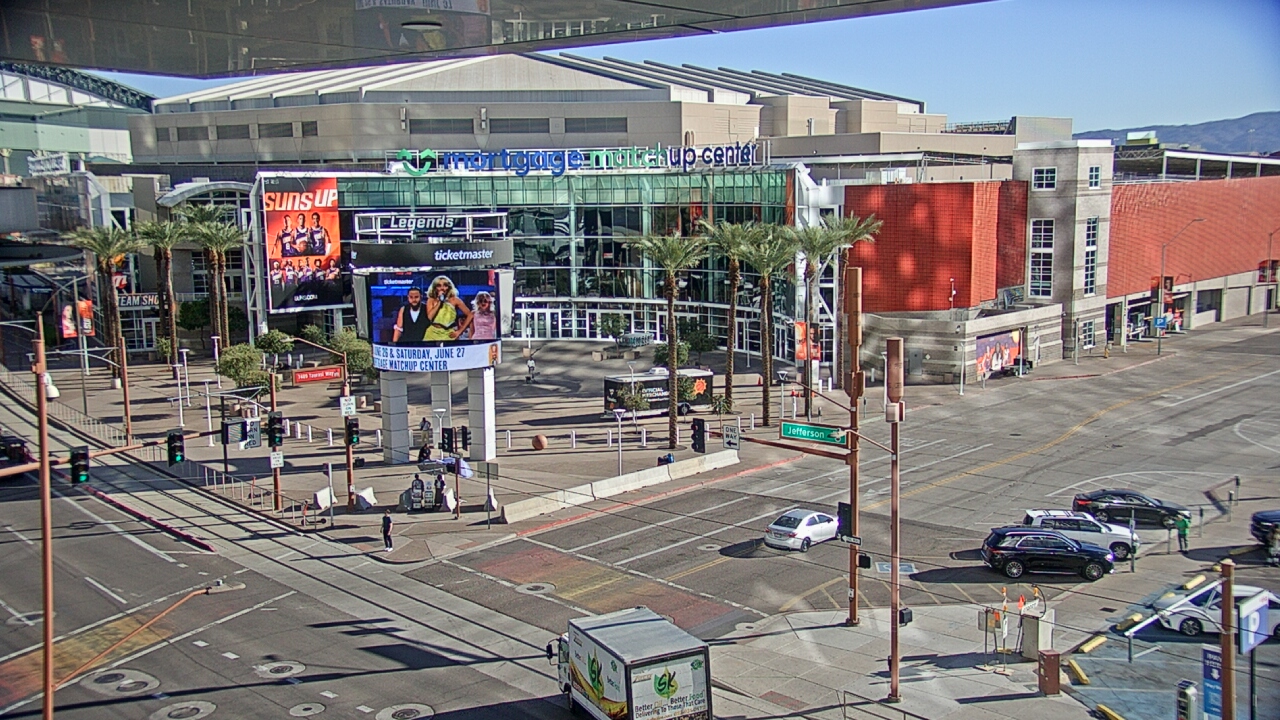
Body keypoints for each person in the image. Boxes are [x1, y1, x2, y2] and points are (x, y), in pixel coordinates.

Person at [422, 275, 474, 342]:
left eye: (445, 285)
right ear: (435, 288)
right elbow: (430, 317)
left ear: (449, 287)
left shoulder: (455, 300)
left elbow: (470, 315)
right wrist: (440, 302)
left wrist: (459, 331)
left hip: (449, 334)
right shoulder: (431, 300)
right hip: (432, 334)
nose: (442, 288)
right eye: (439, 286)